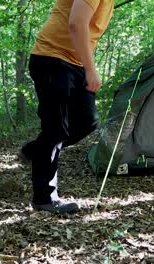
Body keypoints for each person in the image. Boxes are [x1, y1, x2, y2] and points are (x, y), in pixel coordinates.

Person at [19, 0, 114, 214]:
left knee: (87, 122)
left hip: (75, 62)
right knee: (56, 130)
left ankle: (35, 150)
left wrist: (87, 67)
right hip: (52, 58)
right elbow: (76, 24)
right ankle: (45, 199)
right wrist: (92, 70)